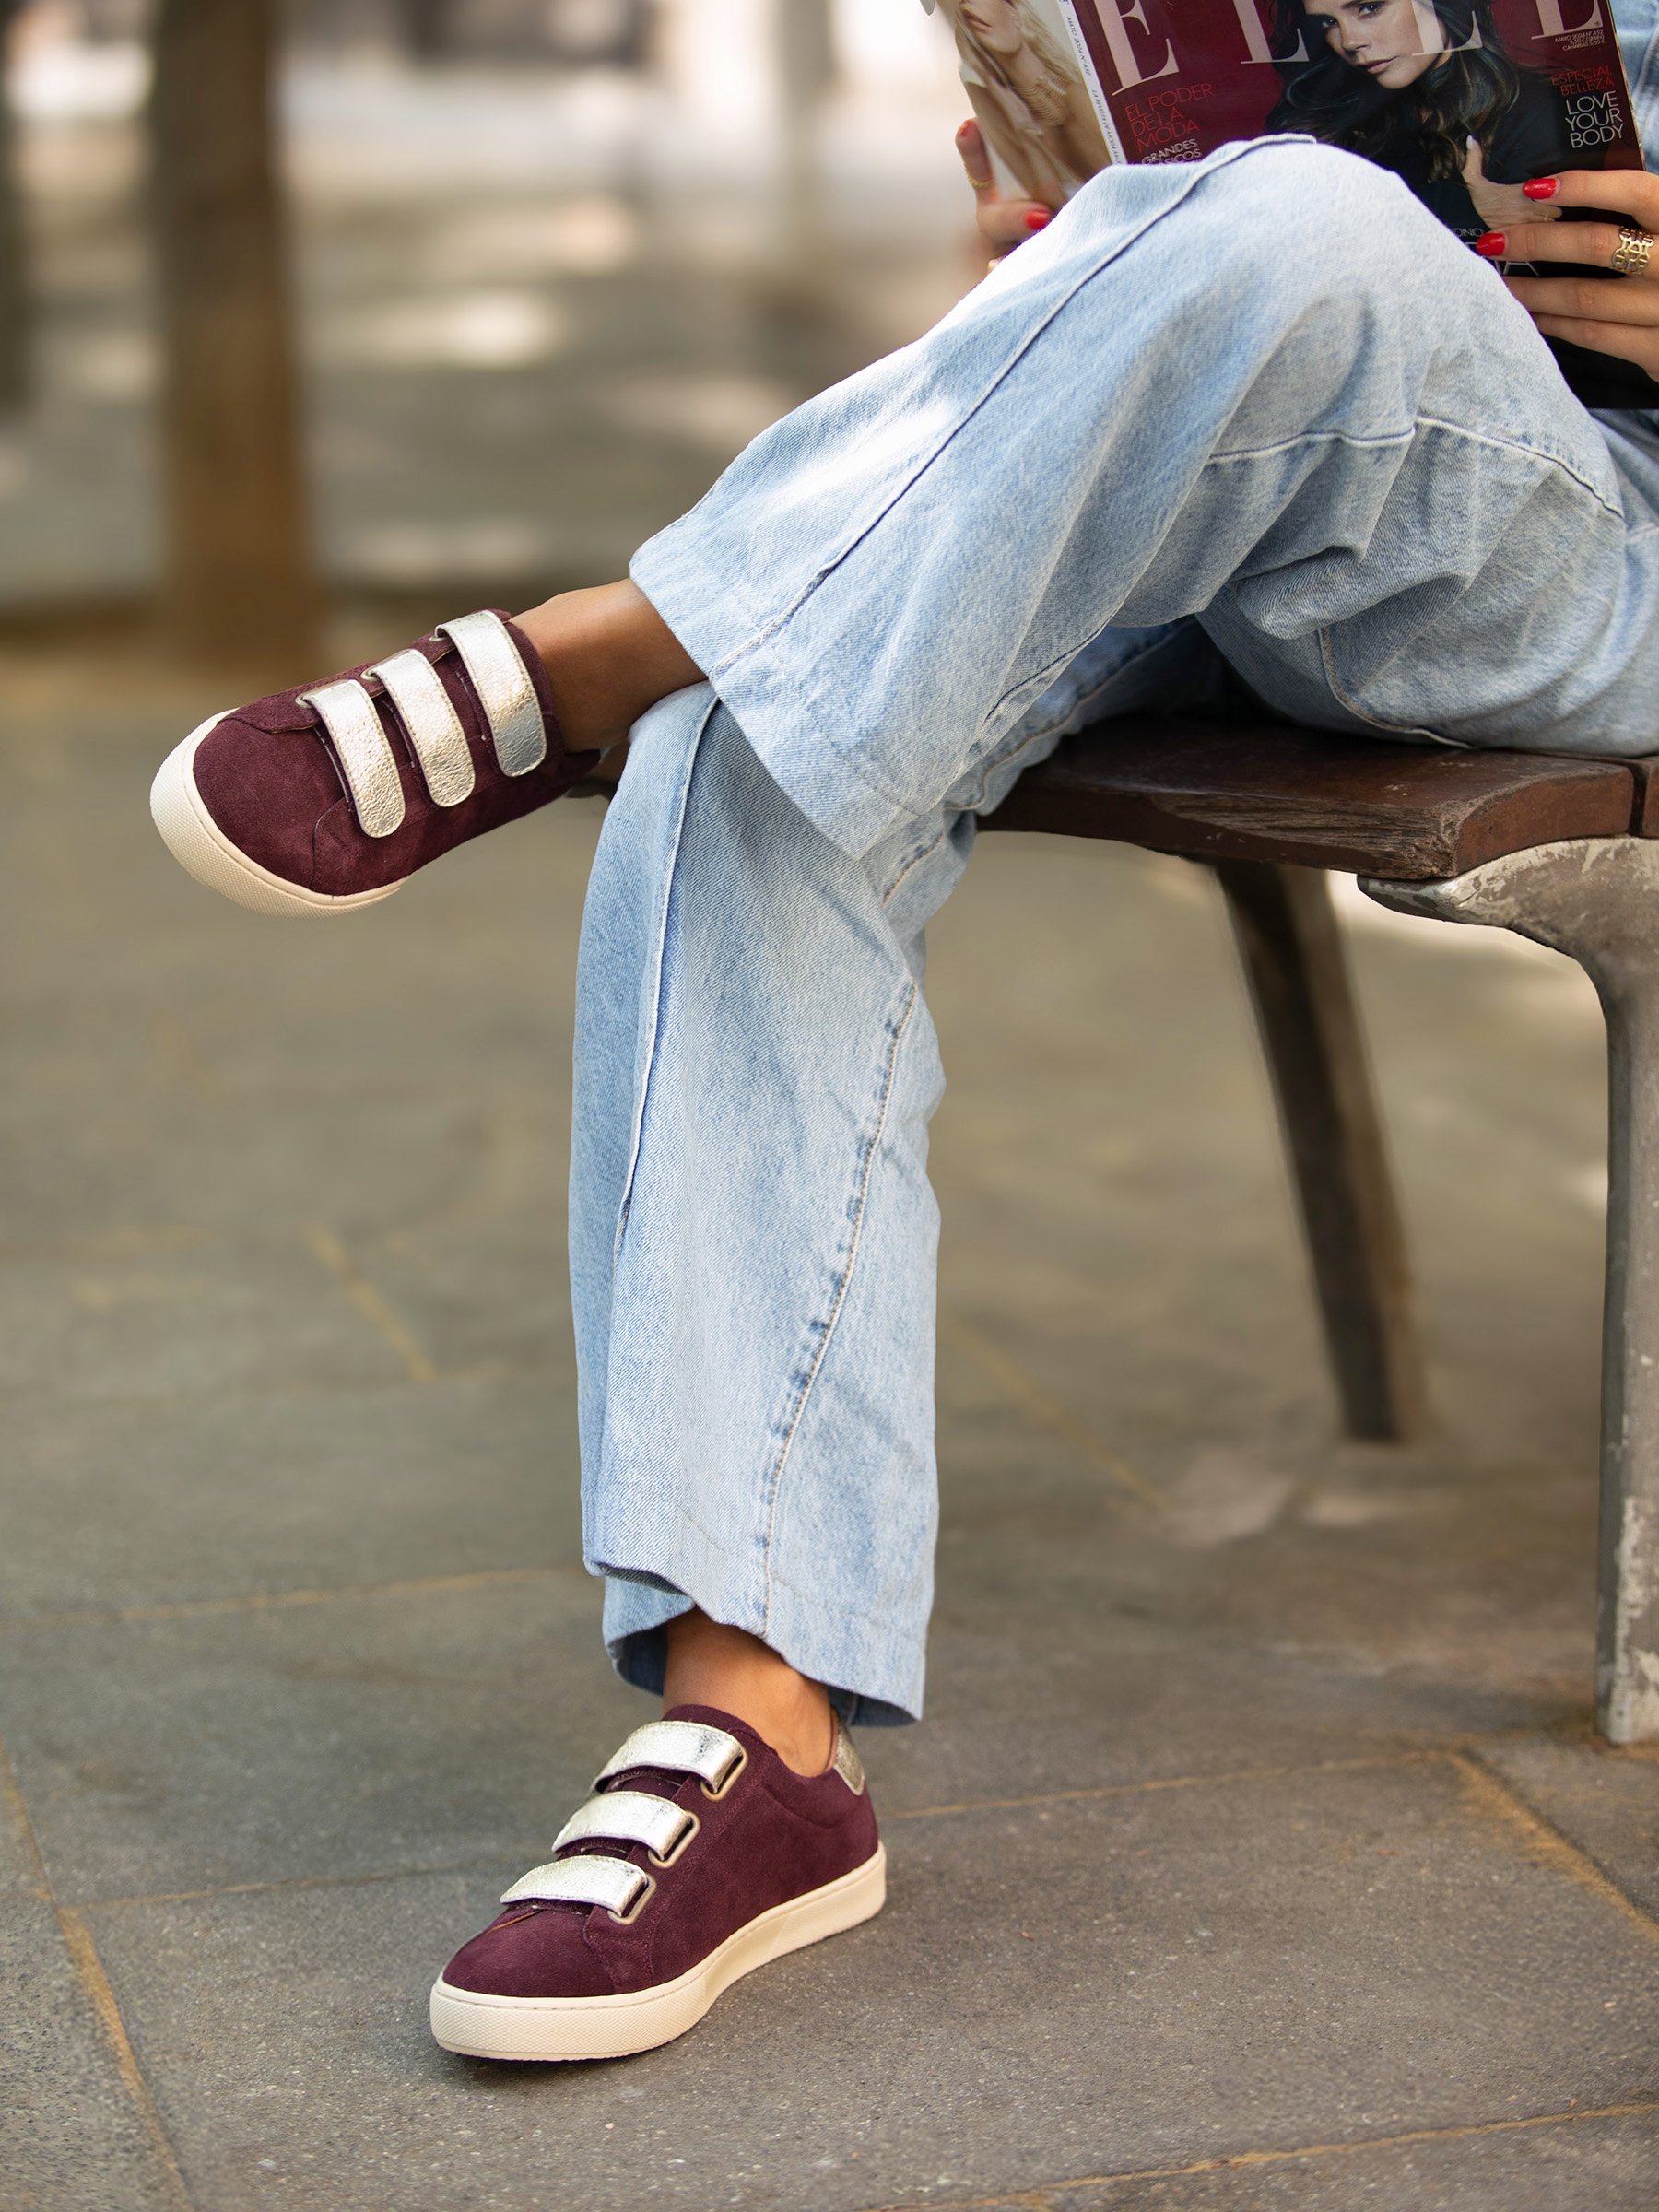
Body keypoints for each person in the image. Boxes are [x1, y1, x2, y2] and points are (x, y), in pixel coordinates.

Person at [148, 9, 1659, 2062]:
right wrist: (1088, 253)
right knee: (752, 735)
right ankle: (756, 1719)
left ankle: (592, 653)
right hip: (1249, 458)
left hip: (1590, 534)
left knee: (1291, 231)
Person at [1265, 0, 1574, 239]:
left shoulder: (1544, 108)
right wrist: (1464, 208)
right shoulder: (1329, 123)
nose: (1349, 41)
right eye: (1328, 22)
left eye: (1369, 7)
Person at [938, 0, 1109, 204]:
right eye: (965, 10)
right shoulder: (1001, 113)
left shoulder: (1077, 97)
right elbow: (1051, 205)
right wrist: (1021, 126)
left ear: (1013, 10)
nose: (969, 7)